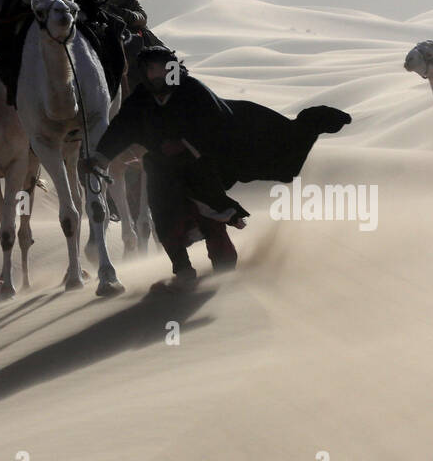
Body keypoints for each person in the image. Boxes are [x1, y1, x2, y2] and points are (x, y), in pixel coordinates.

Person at [91, 47, 351, 289]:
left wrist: (184, 144)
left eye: (162, 68)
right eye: (151, 69)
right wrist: (100, 159)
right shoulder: (141, 100)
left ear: (172, 69)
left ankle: (225, 275)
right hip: (162, 170)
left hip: (200, 165)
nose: (157, 74)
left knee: (212, 214)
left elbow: (217, 124)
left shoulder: (190, 90)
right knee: (165, 219)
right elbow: (120, 129)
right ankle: (183, 271)